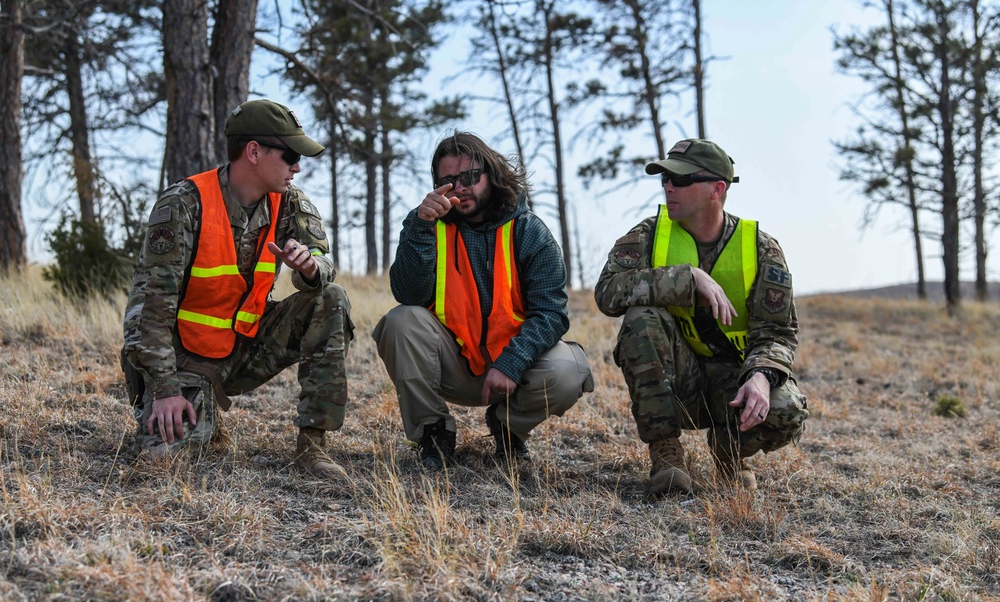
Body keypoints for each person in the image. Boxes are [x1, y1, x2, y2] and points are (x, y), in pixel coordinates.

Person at [121, 99, 354, 480]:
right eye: (291, 154)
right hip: (185, 358)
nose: (297, 166)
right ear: (253, 152)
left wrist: (312, 268)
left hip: (248, 345)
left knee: (331, 299)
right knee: (164, 461)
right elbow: (149, 307)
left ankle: (312, 447)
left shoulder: (291, 202)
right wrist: (164, 389)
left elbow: (323, 260)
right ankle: (196, 411)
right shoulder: (184, 204)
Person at [594, 139, 808, 497]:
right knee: (642, 317)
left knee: (785, 408)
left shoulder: (761, 248)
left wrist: (760, 376)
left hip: (734, 384)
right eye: (664, 179)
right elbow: (607, 292)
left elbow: (778, 333)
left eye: (679, 179)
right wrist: (686, 277)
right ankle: (667, 455)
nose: (668, 187)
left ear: (717, 189)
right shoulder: (649, 234)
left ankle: (730, 453)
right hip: (678, 383)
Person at [373, 131, 593, 470]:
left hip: (515, 372)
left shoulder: (529, 230)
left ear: (492, 174)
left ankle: (507, 428)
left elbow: (551, 313)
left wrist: (512, 362)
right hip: (452, 365)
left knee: (570, 368)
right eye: (447, 180)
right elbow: (408, 294)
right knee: (400, 321)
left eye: (470, 177)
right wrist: (420, 227)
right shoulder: (426, 224)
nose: (459, 187)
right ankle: (433, 434)